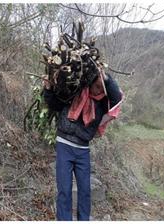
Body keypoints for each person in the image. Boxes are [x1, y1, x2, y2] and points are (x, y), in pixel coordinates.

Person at [44, 69, 123, 221]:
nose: (98, 90)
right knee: (64, 190)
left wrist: (106, 79)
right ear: (91, 82)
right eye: (97, 86)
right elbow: (55, 104)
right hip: (64, 145)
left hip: (82, 150)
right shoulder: (75, 90)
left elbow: (117, 98)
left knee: (85, 190)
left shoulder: (102, 103)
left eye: (102, 88)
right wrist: (48, 88)